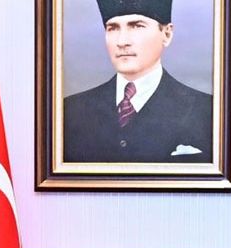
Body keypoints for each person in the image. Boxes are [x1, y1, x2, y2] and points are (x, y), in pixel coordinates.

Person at [63, 0, 213, 163]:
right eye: (113, 28)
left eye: (137, 26)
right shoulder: (70, 111)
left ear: (167, 34)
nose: (122, 41)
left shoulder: (208, 112)